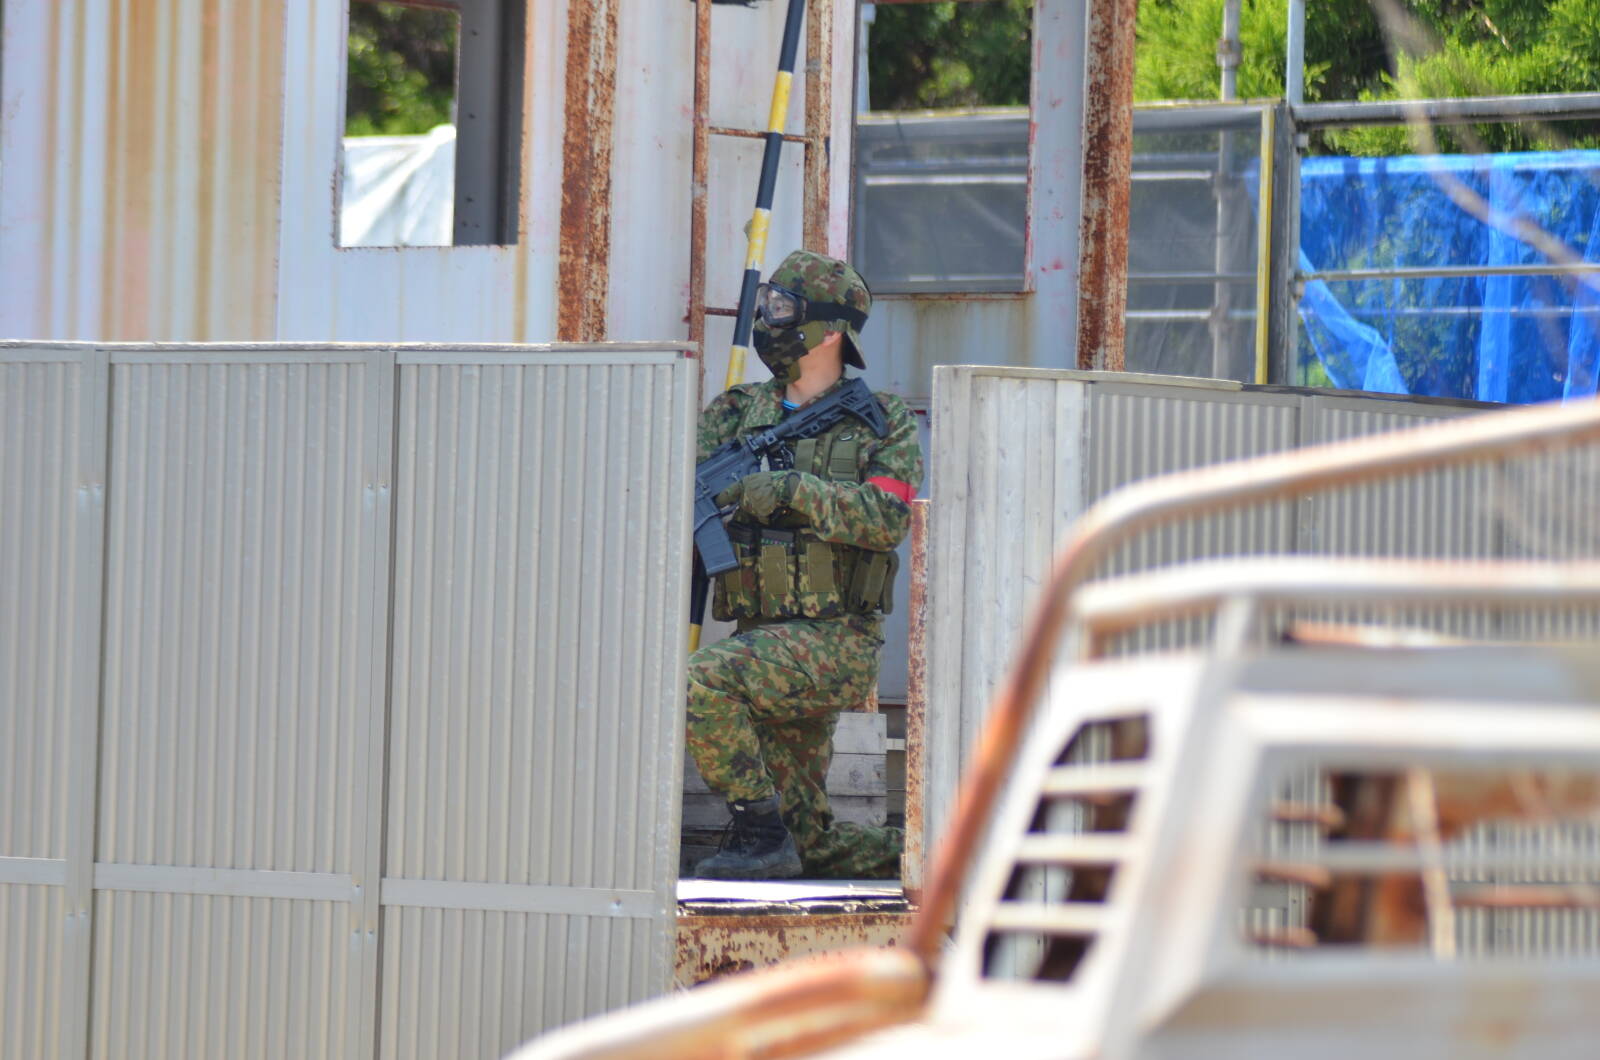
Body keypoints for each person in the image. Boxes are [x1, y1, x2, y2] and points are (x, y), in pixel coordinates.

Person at [686, 249, 923, 880]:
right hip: (760, 636)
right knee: (810, 843)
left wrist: (794, 492)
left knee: (699, 683)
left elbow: (887, 518)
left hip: (836, 639)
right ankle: (937, 854)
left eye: (784, 308)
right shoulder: (736, 413)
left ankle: (758, 833)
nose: (770, 320)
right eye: (767, 305)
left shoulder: (883, 421)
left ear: (831, 329)